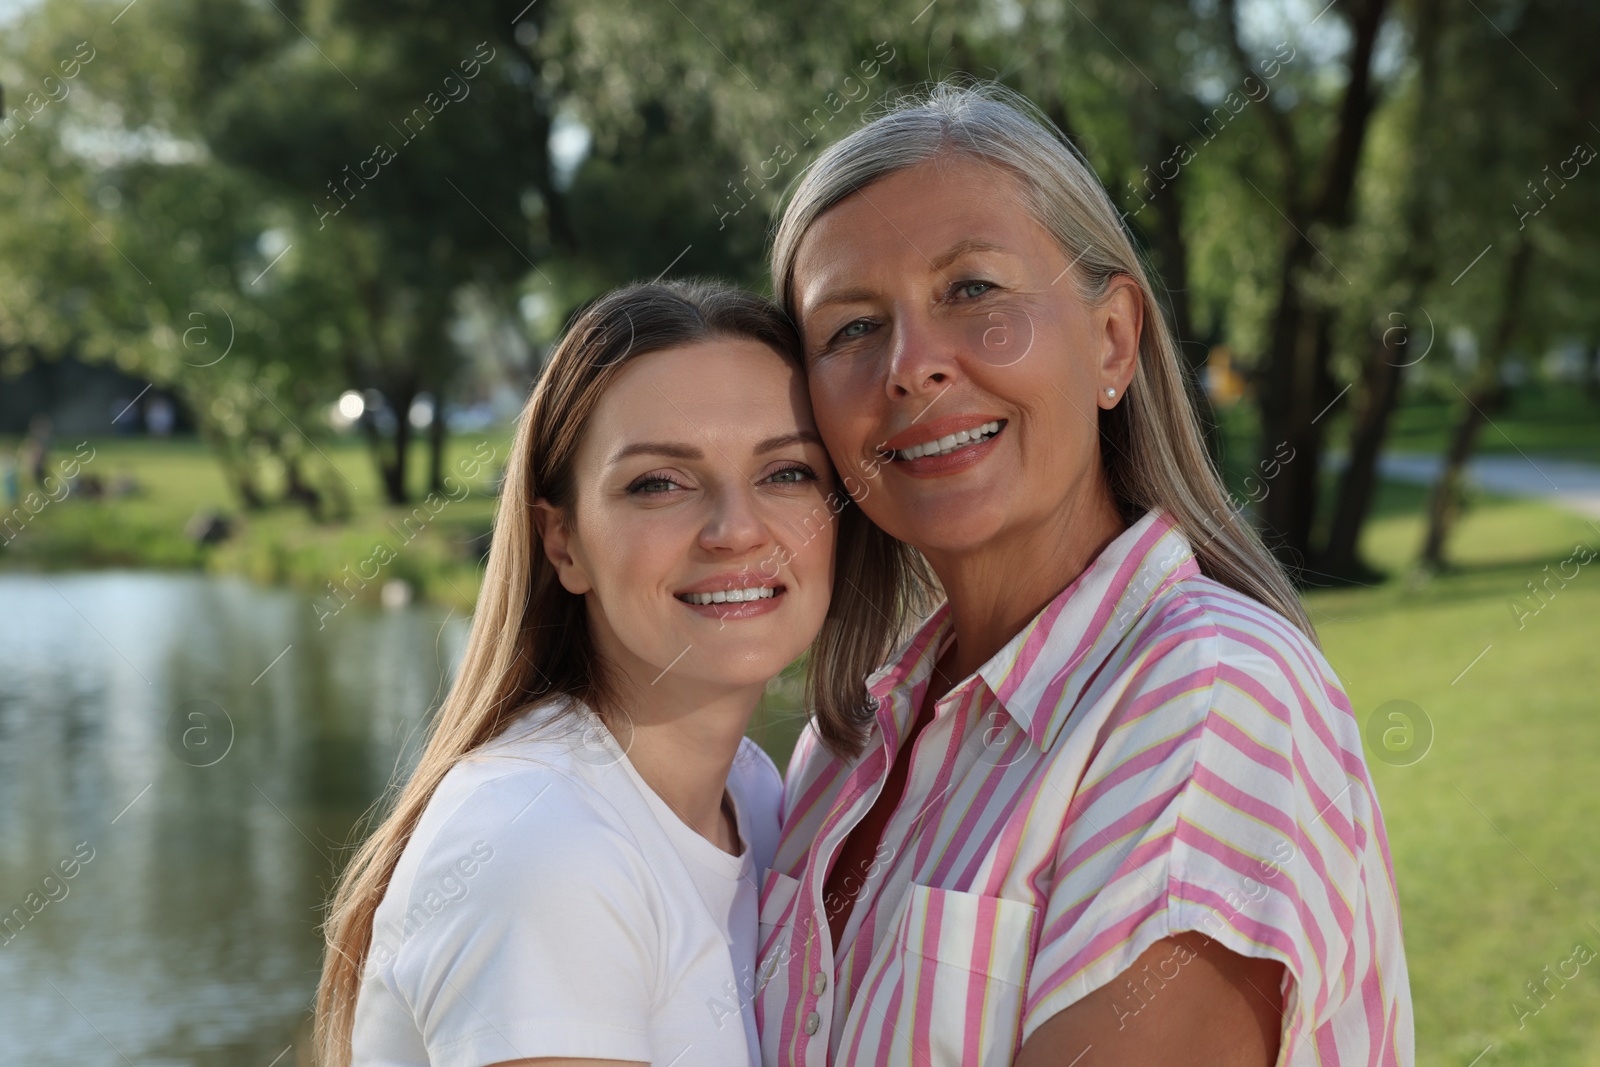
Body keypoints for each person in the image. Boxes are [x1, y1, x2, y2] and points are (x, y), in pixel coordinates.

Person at [753, 83, 1413, 1066]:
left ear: (1109, 341)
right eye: (850, 327)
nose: (909, 365)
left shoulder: (1213, 698)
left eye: (971, 289)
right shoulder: (833, 754)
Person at [313, 280, 923, 1067]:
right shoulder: (542, 845)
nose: (736, 530)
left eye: (787, 473)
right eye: (659, 483)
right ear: (563, 541)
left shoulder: (755, 794)